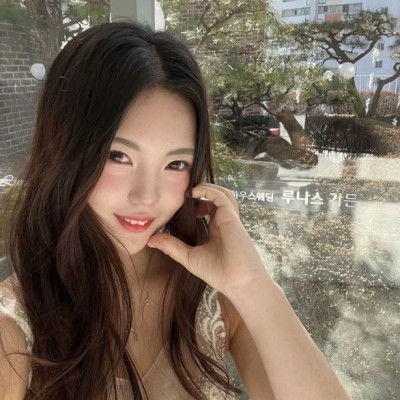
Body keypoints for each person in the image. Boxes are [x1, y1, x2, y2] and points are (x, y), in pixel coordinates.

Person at [0, 21, 352, 400]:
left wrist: (253, 285)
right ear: (64, 150)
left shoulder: (213, 295)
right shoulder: (16, 324)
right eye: (118, 156)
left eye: (175, 164)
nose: (147, 196)